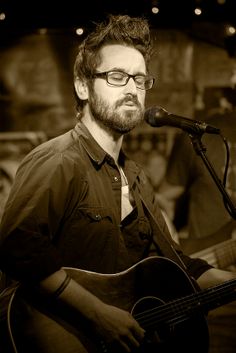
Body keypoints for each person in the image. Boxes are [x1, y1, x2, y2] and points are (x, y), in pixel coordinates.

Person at [0, 14, 236, 353]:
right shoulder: (59, 160)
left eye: (139, 80)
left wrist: (226, 283)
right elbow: (17, 246)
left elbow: (174, 261)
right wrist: (98, 316)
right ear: (83, 85)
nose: (131, 89)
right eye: (116, 76)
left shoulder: (136, 177)